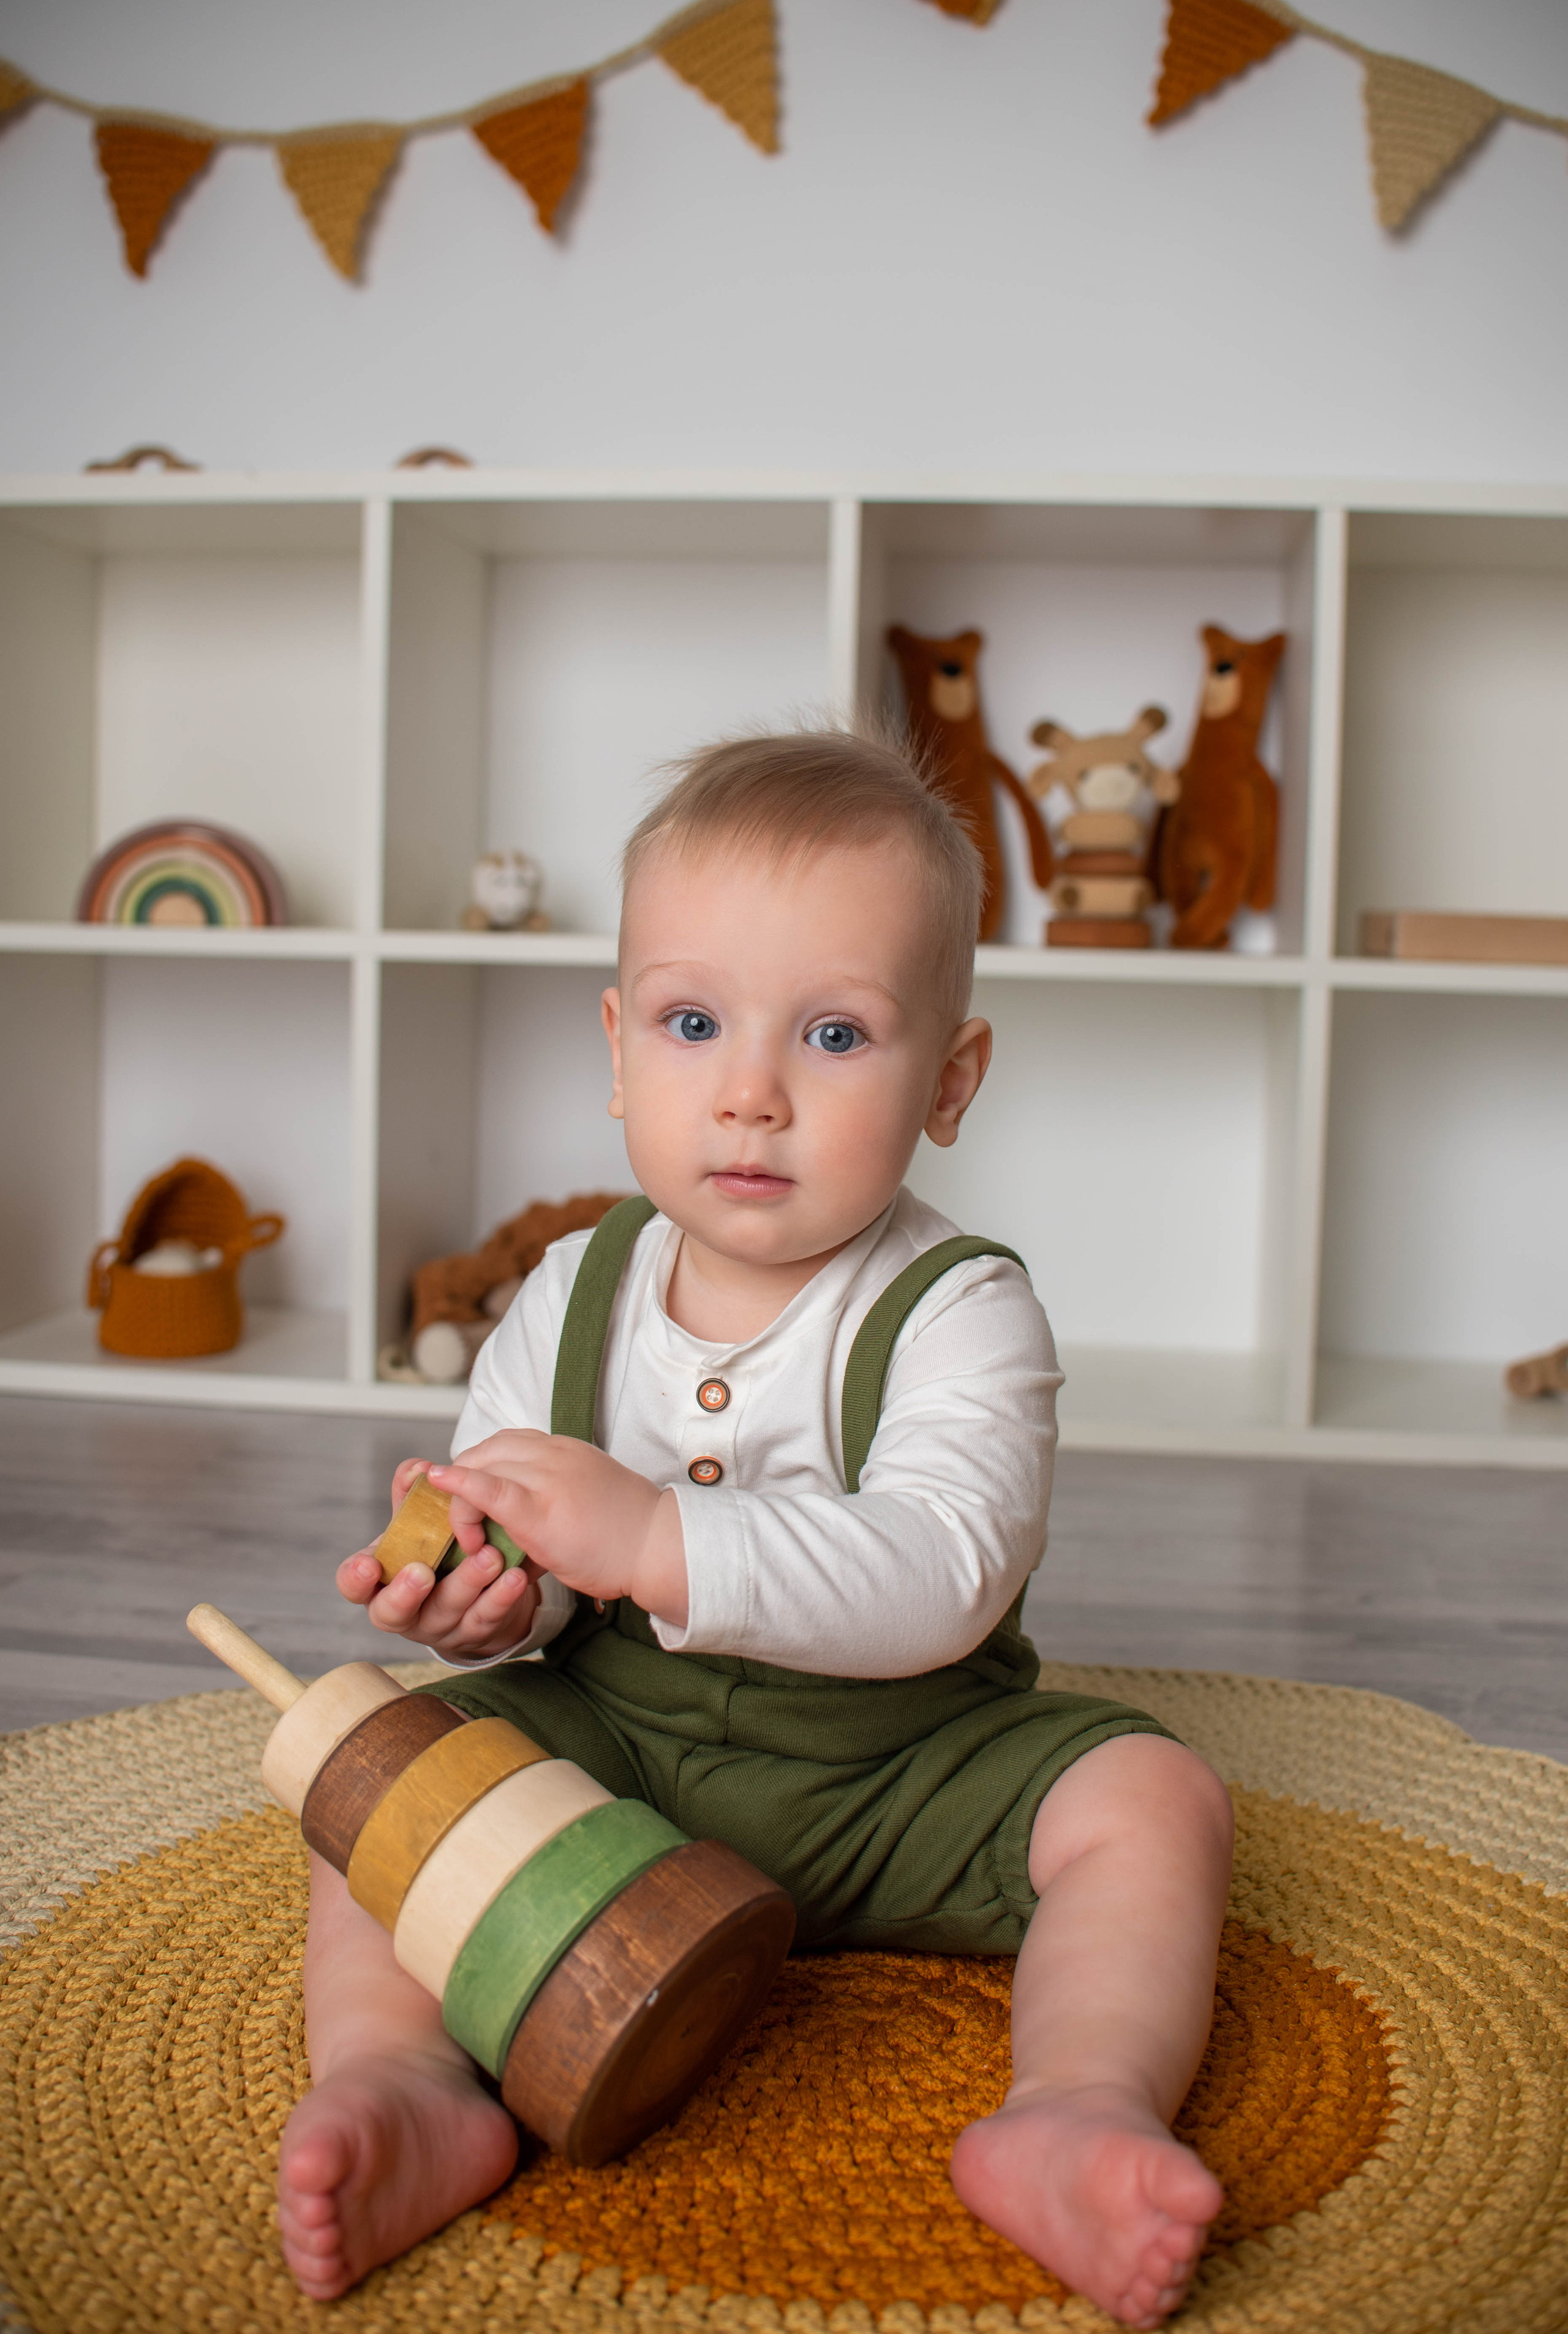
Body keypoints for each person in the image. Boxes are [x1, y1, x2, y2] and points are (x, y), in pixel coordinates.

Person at [276, 728, 1235, 2330]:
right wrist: (480, 1601)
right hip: (621, 1761)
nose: (751, 1090)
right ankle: (405, 2079)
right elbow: (519, 1560)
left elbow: (941, 1573)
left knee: (1154, 1798)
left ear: (949, 1080)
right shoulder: (572, 1289)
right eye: (694, 1019)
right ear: (616, 1043)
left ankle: (1078, 2101)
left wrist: (659, 1533)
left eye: (838, 1032)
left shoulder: (962, 1307)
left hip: (902, 1772)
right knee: (385, 1752)